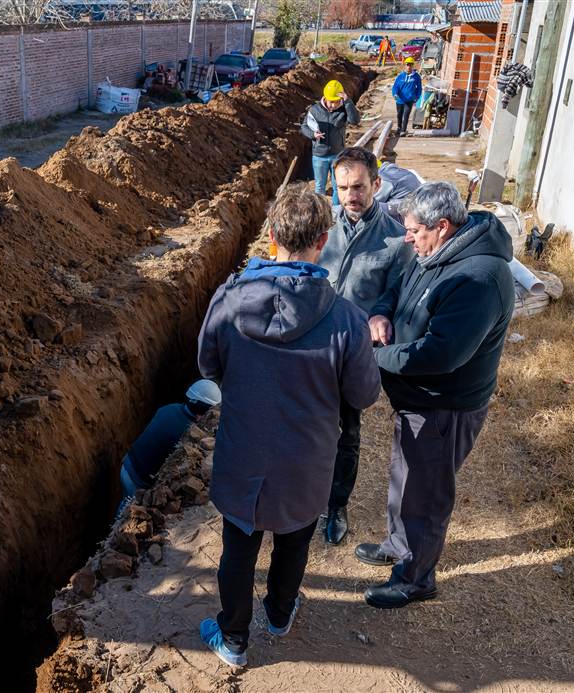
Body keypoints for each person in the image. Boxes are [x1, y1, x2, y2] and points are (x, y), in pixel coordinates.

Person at [196, 184, 380, 667]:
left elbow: (208, 365)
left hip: (243, 454)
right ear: (324, 240)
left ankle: (233, 639)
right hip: (307, 461)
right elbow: (363, 395)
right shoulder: (346, 318)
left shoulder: (229, 299)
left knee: (238, 549)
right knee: (294, 542)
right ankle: (279, 613)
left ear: (272, 235)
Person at [357, 182, 514, 608]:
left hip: (443, 405)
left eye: (414, 231)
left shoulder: (478, 279)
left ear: (442, 226)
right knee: (404, 476)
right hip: (415, 399)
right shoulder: (434, 251)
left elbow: (442, 354)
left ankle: (415, 578)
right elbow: (397, 284)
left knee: (426, 493)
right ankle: (397, 545)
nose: (407, 238)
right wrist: (380, 314)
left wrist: (377, 357)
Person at [317, 147, 412, 546]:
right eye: (342, 188)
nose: (350, 196)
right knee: (305, 427)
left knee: (346, 434)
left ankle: (336, 506)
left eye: (358, 187)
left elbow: (395, 293)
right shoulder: (322, 227)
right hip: (312, 346)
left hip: (354, 352)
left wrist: (381, 315)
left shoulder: (394, 240)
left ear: (376, 184)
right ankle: (304, 498)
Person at [118, 379, 221, 513]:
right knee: (128, 510)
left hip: (127, 466)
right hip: (138, 480)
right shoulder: (186, 431)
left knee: (123, 503)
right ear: (205, 409)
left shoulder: (168, 408)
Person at [300, 80, 360, 205]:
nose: (334, 105)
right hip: (319, 156)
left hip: (337, 155)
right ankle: (320, 215)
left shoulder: (344, 109)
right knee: (319, 187)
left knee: (338, 186)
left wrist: (347, 101)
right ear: (325, 98)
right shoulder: (314, 110)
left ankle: (336, 213)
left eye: (337, 102)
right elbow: (304, 127)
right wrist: (313, 134)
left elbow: (354, 120)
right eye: (331, 102)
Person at [393, 57, 422, 136]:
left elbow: (419, 88)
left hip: (409, 100)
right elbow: (395, 87)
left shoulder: (416, 76)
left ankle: (403, 130)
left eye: (411, 65)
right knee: (399, 114)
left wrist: (417, 97)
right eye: (407, 65)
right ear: (405, 65)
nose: (409, 67)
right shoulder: (400, 76)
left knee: (406, 115)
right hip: (400, 99)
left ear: (413, 66)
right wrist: (395, 94)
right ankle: (399, 128)